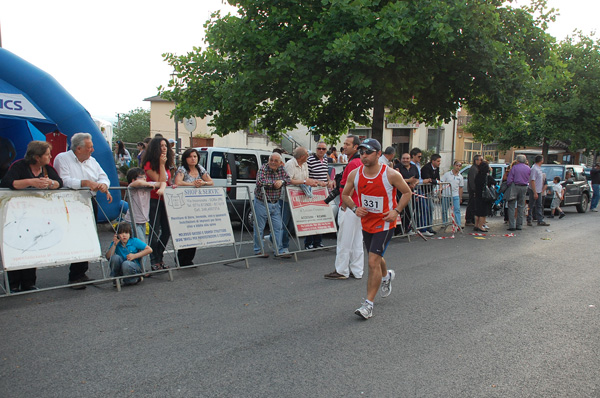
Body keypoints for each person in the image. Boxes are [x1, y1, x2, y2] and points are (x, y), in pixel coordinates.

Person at [341, 138, 412, 320]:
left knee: (372, 262)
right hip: (367, 222)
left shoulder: (390, 174)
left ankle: (368, 305)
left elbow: (407, 192)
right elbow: (345, 194)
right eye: (362, 152)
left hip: (385, 223)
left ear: (378, 154)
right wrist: (355, 208)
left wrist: (396, 211)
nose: (364, 156)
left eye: (368, 152)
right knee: (376, 256)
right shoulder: (355, 174)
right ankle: (386, 275)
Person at [0, 141, 63, 292]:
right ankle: (13, 282)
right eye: (47, 154)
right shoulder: (19, 166)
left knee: (33, 242)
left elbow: (59, 182)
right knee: (16, 242)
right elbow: (7, 182)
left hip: (36, 212)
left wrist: (50, 183)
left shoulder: (47, 169)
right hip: (16, 212)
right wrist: (30, 182)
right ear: (36, 157)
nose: (50, 157)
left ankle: (29, 282)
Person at [54, 132, 113, 289]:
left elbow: (103, 177)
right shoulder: (62, 158)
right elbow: (63, 180)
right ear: (78, 148)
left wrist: (103, 185)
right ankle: (74, 275)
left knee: (88, 235)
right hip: (71, 201)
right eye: (89, 147)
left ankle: (81, 271)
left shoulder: (92, 161)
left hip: (89, 201)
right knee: (75, 237)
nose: (92, 150)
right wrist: (84, 182)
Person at [324, 135, 363, 280]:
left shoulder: (353, 164)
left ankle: (341, 270)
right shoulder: (359, 162)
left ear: (355, 147)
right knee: (356, 241)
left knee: (344, 240)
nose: (344, 146)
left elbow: (351, 185)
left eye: (347, 144)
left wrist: (346, 204)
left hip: (350, 205)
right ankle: (357, 270)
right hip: (357, 205)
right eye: (344, 144)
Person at [253, 153, 303, 258]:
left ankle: (279, 250)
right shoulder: (263, 169)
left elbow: (288, 179)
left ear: (280, 163)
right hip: (262, 202)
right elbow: (261, 181)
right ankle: (259, 250)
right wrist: (275, 183)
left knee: (278, 227)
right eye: (271, 160)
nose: (273, 162)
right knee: (259, 227)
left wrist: (282, 181)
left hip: (275, 202)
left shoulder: (281, 169)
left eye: (276, 161)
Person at [174, 148, 214, 265]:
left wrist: (203, 183)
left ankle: (189, 259)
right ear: (186, 158)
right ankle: (181, 258)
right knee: (186, 231)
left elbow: (211, 181)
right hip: (184, 205)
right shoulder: (182, 169)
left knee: (195, 232)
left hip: (197, 205)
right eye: (190, 156)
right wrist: (192, 184)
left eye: (195, 156)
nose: (193, 159)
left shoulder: (200, 169)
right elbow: (178, 182)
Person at [142, 137, 174, 270]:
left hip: (165, 200)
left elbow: (167, 182)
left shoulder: (167, 164)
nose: (164, 148)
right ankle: (154, 260)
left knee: (167, 230)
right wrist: (161, 165)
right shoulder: (149, 164)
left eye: (166, 145)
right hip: (153, 199)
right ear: (155, 148)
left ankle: (159, 256)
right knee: (155, 231)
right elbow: (160, 181)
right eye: (161, 146)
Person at [281, 147, 318, 253]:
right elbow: (287, 180)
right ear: (302, 156)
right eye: (307, 154)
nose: (308, 156)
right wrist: (305, 181)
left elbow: (305, 179)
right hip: (287, 199)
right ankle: (284, 247)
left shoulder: (305, 164)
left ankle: (272, 238)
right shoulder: (290, 164)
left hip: (300, 198)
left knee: (294, 224)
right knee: (284, 224)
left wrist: (313, 183)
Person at [125, 167, 166, 247]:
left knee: (138, 246)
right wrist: (149, 184)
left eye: (145, 177)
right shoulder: (131, 187)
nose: (144, 179)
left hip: (143, 221)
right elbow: (138, 183)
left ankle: (135, 259)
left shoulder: (147, 186)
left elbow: (163, 182)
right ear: (133, 180)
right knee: (143, 246)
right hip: (133, 221)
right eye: (141, 177)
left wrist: (162, 189)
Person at [305, 142, 335, 249]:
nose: (321, 150)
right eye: (319, 148)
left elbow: (325, 172)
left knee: (321, 216)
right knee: (312, 217)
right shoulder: (310, 160)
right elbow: (306, 176)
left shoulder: (326, 159)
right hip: (313, 191)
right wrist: (318, 182)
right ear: (316, 149)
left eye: (323, 149)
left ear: (326, 150)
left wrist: (329, 180)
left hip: (323, 191)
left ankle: (318, 241)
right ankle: (308, 243)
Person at [395, 153, 419, 235]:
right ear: (401, 159)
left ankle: (406, 229)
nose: (405, 160)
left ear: (410, 159)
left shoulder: (414, 167)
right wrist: (408, 180)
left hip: (411, 193)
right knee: (400, 212)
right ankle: (398, 231)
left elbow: (417, 178)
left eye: (407, 158)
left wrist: (414, 184)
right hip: (399, 194)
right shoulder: (397, 167)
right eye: (403, 158)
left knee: (409, 211)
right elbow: (396, 180)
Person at [418, 154, 441, 236]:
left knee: (430, 209)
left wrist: (435, 181)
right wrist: (435, 181)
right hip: (424, 191)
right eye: (438, 161)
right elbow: (428, 179)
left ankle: (429, 226)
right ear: (433, 161)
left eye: (440, 161)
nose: (439, 163)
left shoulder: (437, 168)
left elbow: (437, 179)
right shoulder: (426, 168)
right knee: (427, 209)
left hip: (430, 191)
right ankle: (424, 227)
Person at [506, 154, 530, 231]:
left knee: (512, 205)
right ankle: (519, 225)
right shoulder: (528, 168)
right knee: (521, 206)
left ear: (517, 160)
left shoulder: (514, 168)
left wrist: (509, 185)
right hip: (524, 187)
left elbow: (510, 179)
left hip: (515, 186)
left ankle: (511, 225)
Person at [526, 155, 550, 227]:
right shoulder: (534, 169)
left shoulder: (539, 168)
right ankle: (529, 219)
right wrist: (535, 192)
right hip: (534, 190)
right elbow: (532, 180)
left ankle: (540, 220)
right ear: (541, 160)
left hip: (539, 190)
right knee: (531, 205)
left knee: (539, 205)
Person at [440, 160, 464, 227]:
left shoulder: (460, 177)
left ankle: (458, 224)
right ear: (454, 166)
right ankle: (444, 223)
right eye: (457, 165)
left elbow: (461, 187)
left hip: (455, 195)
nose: (458, 167)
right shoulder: (447, 174)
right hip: (446, 194)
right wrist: (440, 192)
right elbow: (441, 182)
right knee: (444, 210)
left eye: (459, 166)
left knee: (457, 209)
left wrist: (460, 197)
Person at [474, 161, 495, 232]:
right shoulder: (487, 177)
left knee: (477, 212)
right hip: (484, 196)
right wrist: (491, 173)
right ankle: (481, 226)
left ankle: (476, 225)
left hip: (477, 195)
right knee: (483, 212)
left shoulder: (477, 176)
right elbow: (493, 182)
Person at [465, 155, 482, 226]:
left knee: (474, 205)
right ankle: (469, 220)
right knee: (471, 205)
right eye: (480, 160)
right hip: (473, 190)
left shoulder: (476, 168)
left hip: (475, 190)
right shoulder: (473, 169)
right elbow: (472, 181)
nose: (481, 162)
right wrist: (474, 190)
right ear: (476, 161)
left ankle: (472, 219)